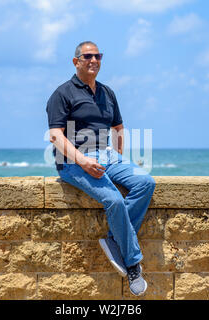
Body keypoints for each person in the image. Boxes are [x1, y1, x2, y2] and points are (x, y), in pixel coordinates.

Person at [46, 41, 156, 296]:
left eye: (98, 56)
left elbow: (118, 128)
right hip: (73, 160)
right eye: (87, 56)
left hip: (107, 155)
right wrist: (83, 161)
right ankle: (132, 263)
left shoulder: (107, 93)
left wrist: (117, 159)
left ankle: (115, 238)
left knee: (145, 182)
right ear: (76, 61)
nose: (93, 60)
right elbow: (55, 136)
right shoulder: (62, 94)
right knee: (114, 200)